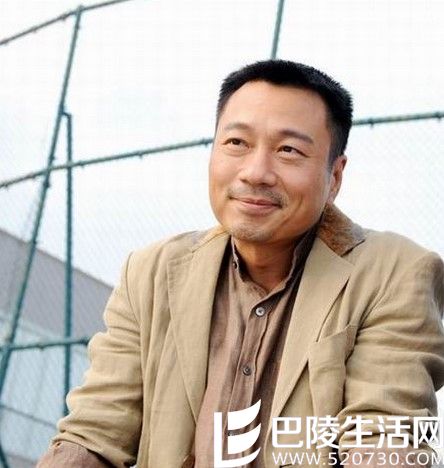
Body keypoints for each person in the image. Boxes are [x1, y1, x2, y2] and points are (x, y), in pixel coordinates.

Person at [38, 60, 444, 468]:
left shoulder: (395, 272)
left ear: (334, 177)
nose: (256, 173)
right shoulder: (150, 272)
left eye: (288, 150)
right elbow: (94, 433)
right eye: (236, 142)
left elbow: (386, 437)